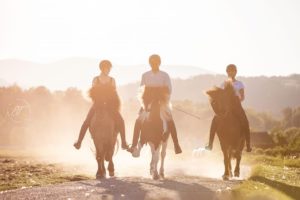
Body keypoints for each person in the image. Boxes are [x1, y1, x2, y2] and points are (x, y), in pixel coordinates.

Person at [128, 54, 182, 154]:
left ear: (159, 63)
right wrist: (146, 100)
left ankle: (176, 144)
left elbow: (169, 90)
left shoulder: (164, 75)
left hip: (161, 103)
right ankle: (134, 145)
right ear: (150, 64)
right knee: (138, 120)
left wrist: (162, 98)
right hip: (148, 103)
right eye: (152, 63)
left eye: (156, 63)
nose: (154, 65)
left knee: (170, 120)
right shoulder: (145, 75)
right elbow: (141, 89)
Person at [74, 60, 129, 150]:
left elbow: (114, 94)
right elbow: (93, 93)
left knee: (121, 121)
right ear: (102, 68)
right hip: (97, 105)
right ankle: (79, 142)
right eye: (107, 68)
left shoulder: (112, 80)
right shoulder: (96, 79)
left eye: (109, 68)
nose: (109, 70)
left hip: (110, 106)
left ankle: (123, 142)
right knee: (87, 121)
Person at [205, 64, 252, 152]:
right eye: (229, 71)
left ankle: (248, 145)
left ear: (236, 72)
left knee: (245, 121)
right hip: (226, 107)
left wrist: (237, 100)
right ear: (227, 72)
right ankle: (210, 144)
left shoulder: (239, 84)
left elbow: (242, 97)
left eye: (233, 71)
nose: (231, 72)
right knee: (215, 120)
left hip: (237, 106)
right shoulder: (223, 84)